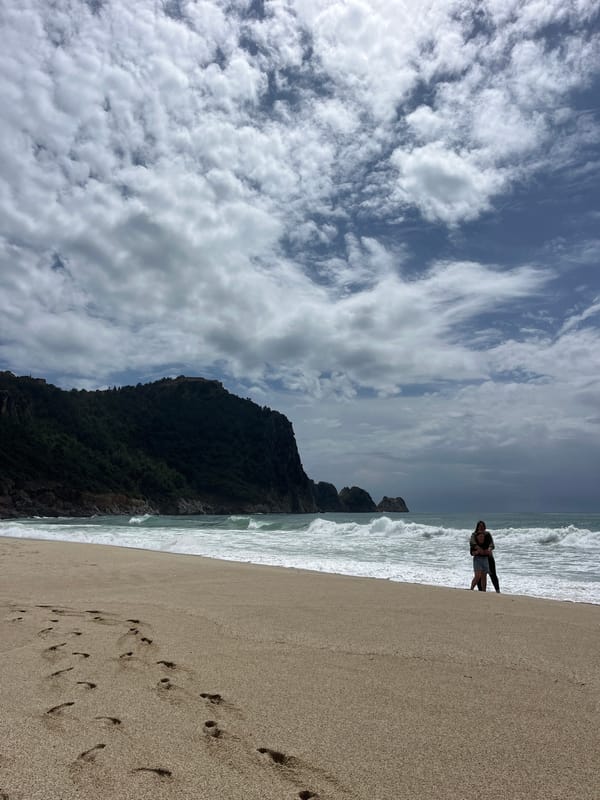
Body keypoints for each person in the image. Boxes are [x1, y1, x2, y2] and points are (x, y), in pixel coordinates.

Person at [469, 520, 500, 593]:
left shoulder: (487, 534)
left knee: (492, 574)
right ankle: (481, 592)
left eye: (483, 527)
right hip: (479, 557)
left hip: (488, 557)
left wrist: (489, 549)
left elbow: (492, 544)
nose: (481, 528)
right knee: (479, 576)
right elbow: (472, 543)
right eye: (480, 526)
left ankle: (497, 591)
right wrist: (478, 548)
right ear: (477, 527)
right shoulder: (474, 534)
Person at [470, 525, 490, 591]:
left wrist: (488, 551)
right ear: (477, 537)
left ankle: (484, 591)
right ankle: (471, 588)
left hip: (485, 559)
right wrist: (477, 552)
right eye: (480, 537)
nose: (481, 538)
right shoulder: (475, 544)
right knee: (477, 576)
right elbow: (471, 553)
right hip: (477, 559)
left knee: (484, 576)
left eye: (482, 537)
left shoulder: (486, 543)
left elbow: (490, 549)